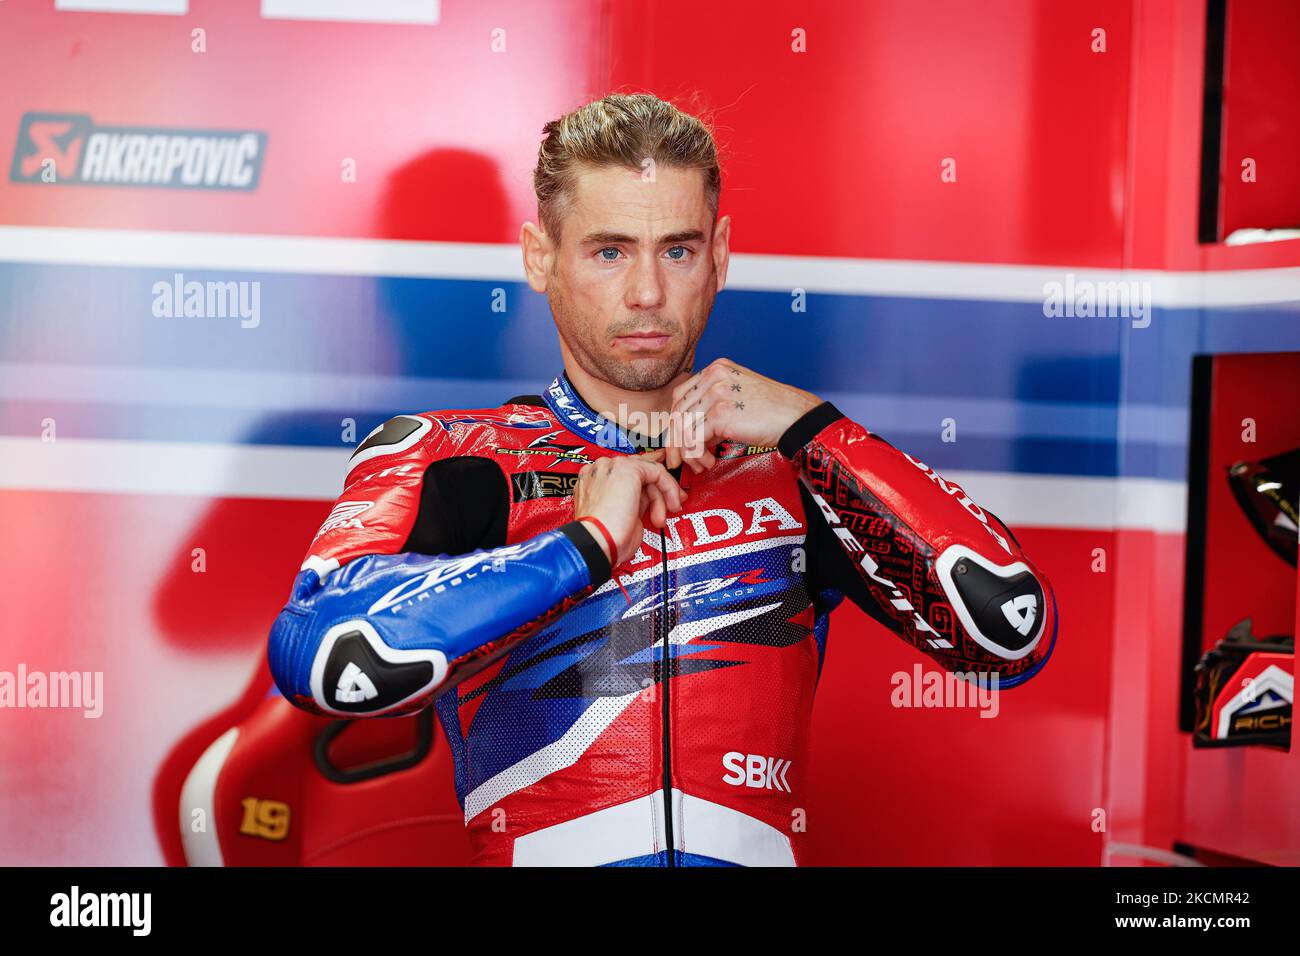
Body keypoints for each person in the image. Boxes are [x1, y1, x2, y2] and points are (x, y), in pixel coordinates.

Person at [267, 92, 1058, 867]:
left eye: (677, 250)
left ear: (718, 256)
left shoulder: (795, 464)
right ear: (541, 259)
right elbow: (323, 653)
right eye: (609, 250)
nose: (647, 293)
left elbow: (1009, 634)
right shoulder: (455, 457)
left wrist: (815, 428)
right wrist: (584, 547)